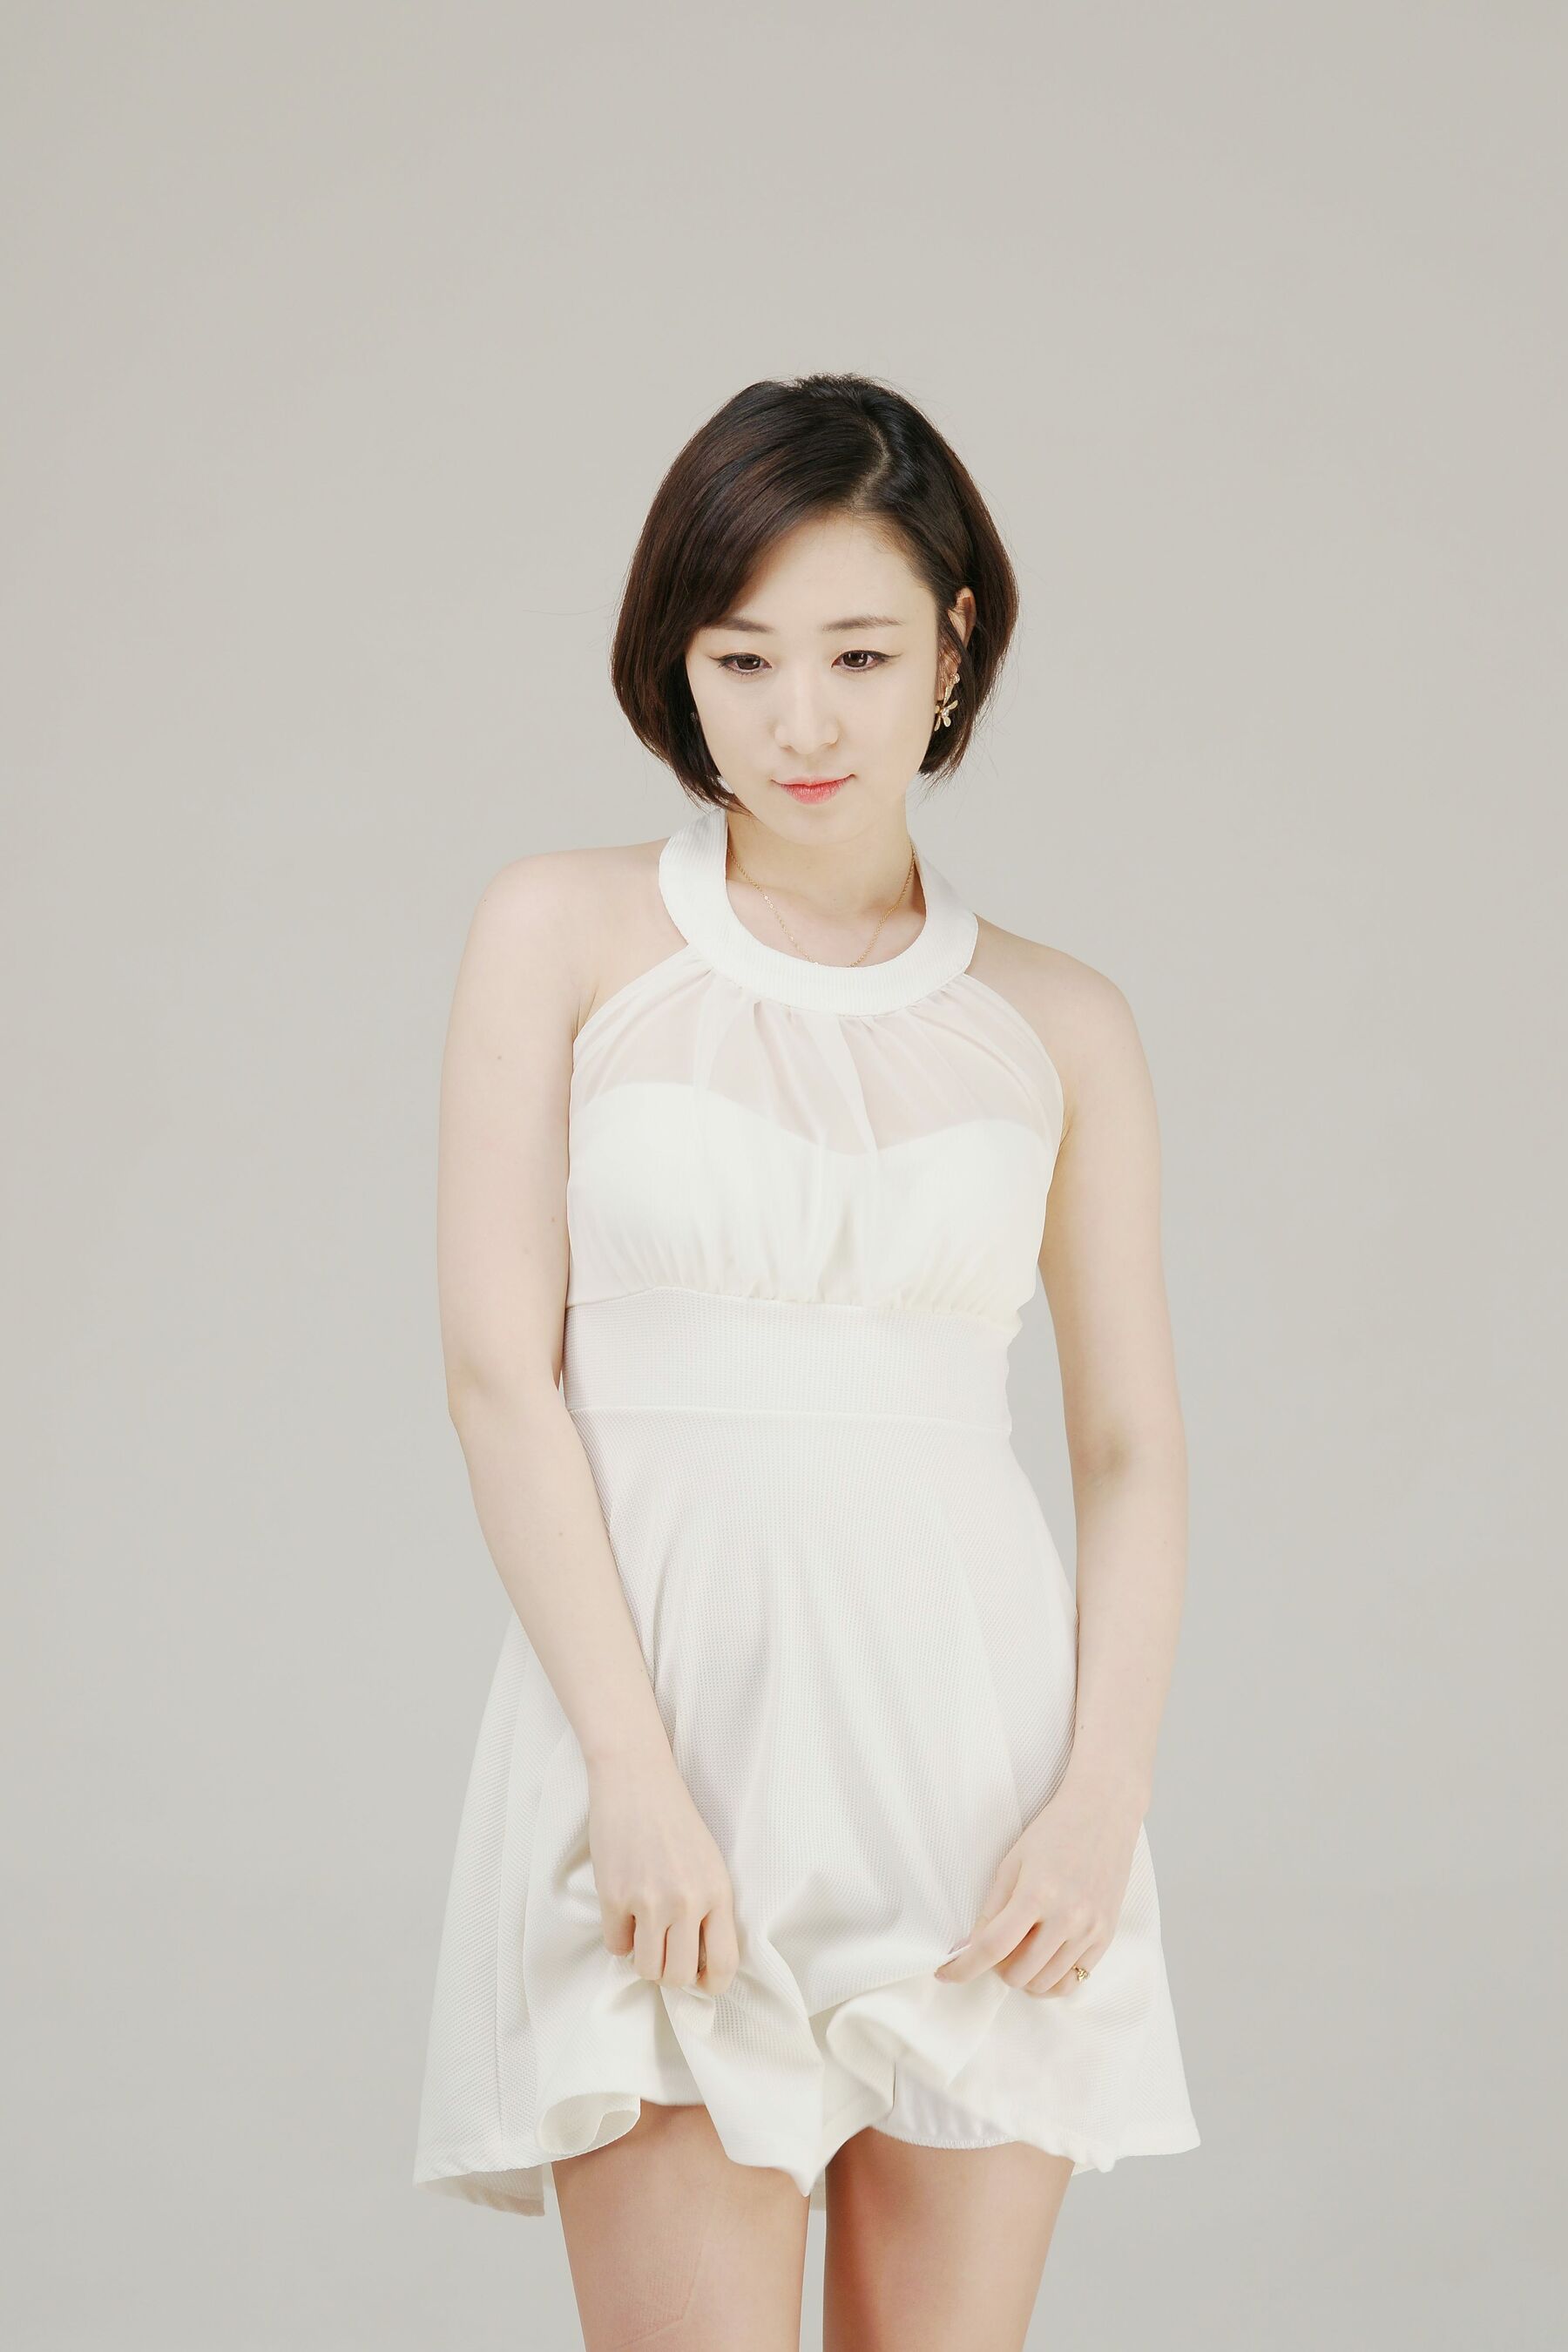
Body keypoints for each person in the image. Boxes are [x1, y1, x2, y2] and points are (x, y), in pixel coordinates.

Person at [412, 372, 1200, 2350]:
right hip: (667, 1755)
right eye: (742, 658)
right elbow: (500, 1375)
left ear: (954, 649)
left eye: (858, 653)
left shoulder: (1063, 1021)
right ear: (678, 667)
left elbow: (1128, 1447)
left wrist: (1099, 1800)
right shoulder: (564, 931)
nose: (803, 722)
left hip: (981, 1783)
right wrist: (629, 1773)